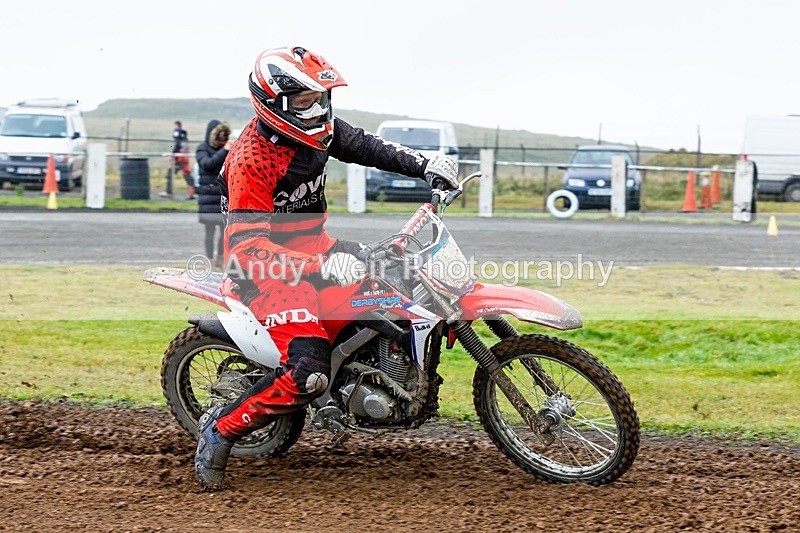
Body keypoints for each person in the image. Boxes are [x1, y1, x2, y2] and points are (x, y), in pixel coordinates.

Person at [194, 46, 458, 489]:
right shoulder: (251, 160)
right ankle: (220, 430)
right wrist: (320, 262)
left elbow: (369, 146)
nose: (317, 109)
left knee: (404, 275)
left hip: (319, 250)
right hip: (269, 273)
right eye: (305, 101)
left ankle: (376, 375)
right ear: (273, 102)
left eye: (322, 98)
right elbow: (247, 249)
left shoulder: (321, 129)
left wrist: (426, 164)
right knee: (308, 374)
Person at [195, 120, 232, 267]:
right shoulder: (202, 148)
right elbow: (207, 164)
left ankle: (221, 258)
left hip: (222, 196)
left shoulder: (227, 149)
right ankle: (209, 260)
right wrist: (224, 150)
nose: (222, 139)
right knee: (209, 232)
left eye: (225, 136)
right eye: (220, 136)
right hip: (208, 197)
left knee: (224, 232)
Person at [172, 121, 194, 199]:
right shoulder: (184, 134)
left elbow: (177, 145)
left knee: (172, 173)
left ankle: (169, 192)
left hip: (180, 157)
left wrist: (173, 154)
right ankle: (192, 192)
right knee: (186, 175)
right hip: (184, 156)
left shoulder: (177, 133)